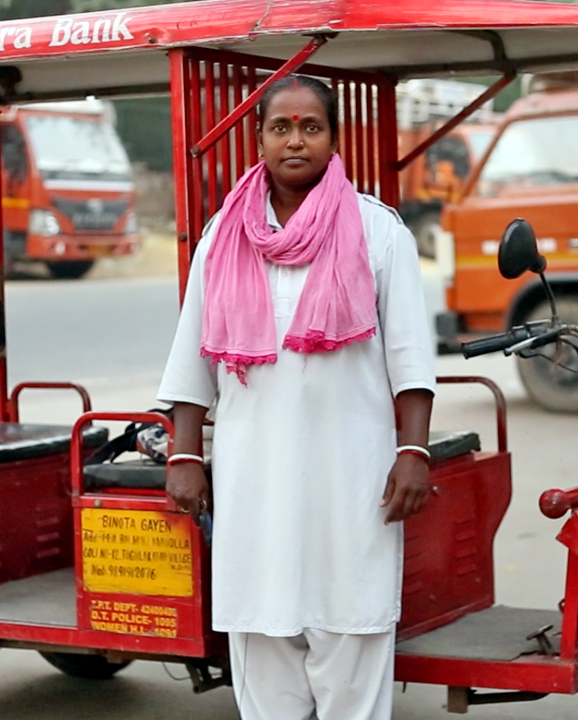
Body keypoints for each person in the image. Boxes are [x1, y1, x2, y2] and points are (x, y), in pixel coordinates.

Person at [156, 74, 437, 720]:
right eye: (281, 127)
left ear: (334, 140)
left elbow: (412, 358)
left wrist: (414, 451)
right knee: (263, 643)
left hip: (352, 485)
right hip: (255, 487)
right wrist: (185, 455)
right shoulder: (223, 237)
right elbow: (192, 359)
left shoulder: (378, 232)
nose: (295, 141)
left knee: (352, 635)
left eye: (311, 127)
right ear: (259, 140)